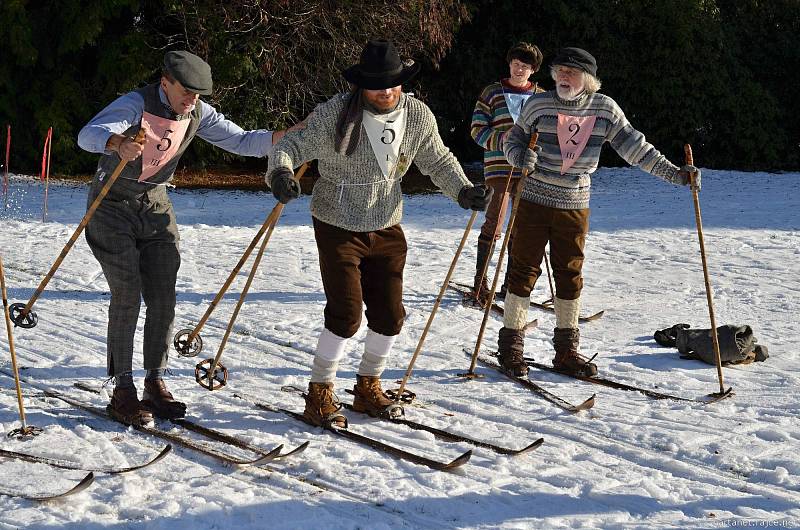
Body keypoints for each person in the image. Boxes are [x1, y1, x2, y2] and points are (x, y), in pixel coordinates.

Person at [265, 39, 492, 427]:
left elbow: (437, 159)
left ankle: (368, 386)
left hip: (387, 223)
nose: (385, 91)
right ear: (361, 85)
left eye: (392, 83)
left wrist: (463, 190)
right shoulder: (335, 114)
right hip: (337, 224)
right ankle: (319, 392)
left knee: (390, 316)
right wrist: (282, 173)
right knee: (346, 314)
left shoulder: (416, 115)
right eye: (376, 84)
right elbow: (290, 145)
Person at [77, 50, 306, 426]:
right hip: (112, 206)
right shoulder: (137, 103)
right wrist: (117, 143)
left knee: (164, 296)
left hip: (155, 206)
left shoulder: (198, 113)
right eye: (187, 91)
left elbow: (246, 142)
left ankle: (156, 381)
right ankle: (122, 388)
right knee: (128, 292)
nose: (192, 99)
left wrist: (295, 135)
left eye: (199, 94)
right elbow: (89, 134)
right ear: (166, 81)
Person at [499, 47, 700, 378]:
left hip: (574, 204)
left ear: (588, 80)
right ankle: (511, 349)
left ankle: (566, 351)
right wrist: (519, 156)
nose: (563, 77)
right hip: (532, 200)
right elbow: (512, 140)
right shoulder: (538, 104)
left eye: (572, 73)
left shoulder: (604, 109)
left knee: (570, 275)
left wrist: (677, 174)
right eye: (560, 71)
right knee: (522, 272)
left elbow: (637, 149)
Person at [470, 42, 544, 300]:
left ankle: (511, 282)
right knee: (495, 221)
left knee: (520, 226)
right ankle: (480, 283)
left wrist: (537, 149)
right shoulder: (492, 93)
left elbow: (550, 133)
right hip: (499, 167)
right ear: (509, 64)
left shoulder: (541, 97)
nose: (519, 69)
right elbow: (477, 129)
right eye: (516, 64)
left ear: (533, 70)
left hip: (528, 172)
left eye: (525, 66)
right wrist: (505, 141)